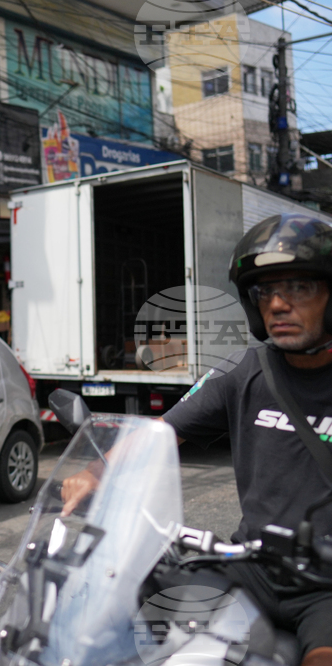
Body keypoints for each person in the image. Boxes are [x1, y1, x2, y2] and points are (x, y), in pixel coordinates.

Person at [62, 214, 332, 665]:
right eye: (266, 291)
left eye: (300, 288)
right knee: (127, 625)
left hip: (327, 585)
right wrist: (95, 471)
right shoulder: (245, 372)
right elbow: (160, 434)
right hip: (252, 565)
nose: (279, 304)